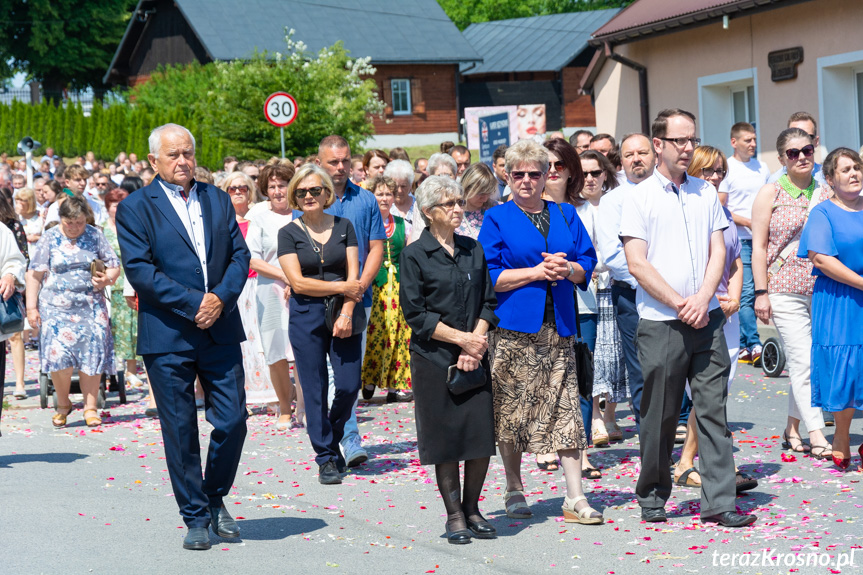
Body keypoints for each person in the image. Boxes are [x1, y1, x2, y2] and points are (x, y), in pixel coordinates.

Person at [116, 124, 251, 550]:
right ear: (153, 161)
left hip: (221, 328)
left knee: (232, 420)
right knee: (180, 429)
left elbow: (239, 255)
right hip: (169, 334)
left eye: (188, 153)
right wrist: (196, 302)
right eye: (173, 155)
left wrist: (220, 299)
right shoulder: (136, 207)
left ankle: (213, 496)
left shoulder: (217, 199)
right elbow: (140, 271)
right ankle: (194, 516)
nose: (183, 162)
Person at [620, 108, 755, 527]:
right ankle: (654, 493)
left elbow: (720, 250)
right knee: (659, 414)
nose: (688, 148)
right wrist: (682, 302)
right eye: (679, 140)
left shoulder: (705, 193)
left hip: (708, 319)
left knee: (712, 411)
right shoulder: (637, 197)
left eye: (692, 139)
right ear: (658, 144)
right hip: (661, 322)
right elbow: (637, 263)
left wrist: (702, 298)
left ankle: (720, 502)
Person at [478, 140, 601, 524]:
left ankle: (575, 497)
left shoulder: (565, 213)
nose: (528, 181)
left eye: (536, 173)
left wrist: (568, 271)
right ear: (508, 176)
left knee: (566, 412)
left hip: (560, 327)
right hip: (514, 331)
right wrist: (536, 272)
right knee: (511, 413)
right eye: (519, 174)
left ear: (548, 175)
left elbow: (587, 261)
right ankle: (514, 487)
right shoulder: (497, 218)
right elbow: (490, 276)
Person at [398, 175, 498, 543]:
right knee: (446, 440)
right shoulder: (413, 255)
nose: (458, 208)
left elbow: (489, 301)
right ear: (428, 212)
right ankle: (454, 514)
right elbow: (416, 314)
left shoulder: (474, 249)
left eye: (459, 201)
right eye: (449, 204)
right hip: (434, 359)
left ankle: (473, 509)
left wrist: (477, 341)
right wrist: (462, 342)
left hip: (476, 354)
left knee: (478, 436)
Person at [673, 146, 757, 493]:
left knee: (718, 391)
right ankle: (701, 465)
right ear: (693, 172)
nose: (715, 177)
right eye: (708, 171)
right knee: (707, 394)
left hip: (728, 312)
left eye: (720, 171)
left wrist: (736, 298)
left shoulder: (723, 211)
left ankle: (690, 463)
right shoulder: (686, 210)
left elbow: (735, 262)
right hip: (698, 312)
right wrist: (706, 298)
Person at [278, 163, 364, 484]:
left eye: (315, 190)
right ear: (295, 197)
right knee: (314, 389)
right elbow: (298, 283)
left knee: (348, 385)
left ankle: (332, 433)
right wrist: (341, 287)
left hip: (344, 314)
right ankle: (326, 457)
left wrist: (345, 310)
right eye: (302, 192)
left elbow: (354, 277)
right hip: (305, 316)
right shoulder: (288, 233)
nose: (309, 196)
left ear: (327, 193)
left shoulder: (345, 226)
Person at [751, 127, 833, 460]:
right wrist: (760, 292)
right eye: (793, 153)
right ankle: (818, 433)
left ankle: (792, 428)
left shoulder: (826, 192)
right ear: (783, 158)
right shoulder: (769, 193)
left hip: (822, 288)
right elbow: (758, 247)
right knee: (803, 360)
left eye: (807, 150)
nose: (801, 157)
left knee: (809, 362)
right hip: (783, 288)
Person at [315, 135, 385, 468]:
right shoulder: (311, 199)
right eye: (333, 162)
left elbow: (376, 249)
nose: (341, 167)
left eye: (345, 160)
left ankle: (338, 431)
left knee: (349, 373)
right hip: (318, 297)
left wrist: (358, 288)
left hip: (359, 298)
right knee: (328, 373)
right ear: (319, 164)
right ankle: (345, 436)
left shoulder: (366, 200)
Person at [26, 196, 120, 428]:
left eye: (79, 222)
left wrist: (108, 278)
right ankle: (64, 404)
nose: (76, 227)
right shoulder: (49, 237)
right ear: (62, 219)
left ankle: (90, 407)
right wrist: (31, 307)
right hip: (56, 307)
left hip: (90, 304)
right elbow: (34, 274)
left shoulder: (95, 235)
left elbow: (114, 264)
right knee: (59, 357)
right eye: (70, 223)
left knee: (92, 355)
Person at [798, 148, 863, 470]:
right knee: (845, 368)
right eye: (845, 170)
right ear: (830, 179)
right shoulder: (823, 212)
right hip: (840, 300)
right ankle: (840, 435)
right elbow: (821, 258)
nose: (853, 174)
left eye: (857, 168)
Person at [595, 133, 655, 436]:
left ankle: (680, 426)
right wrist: (651, 282)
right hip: (631, 294)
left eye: (642, 152)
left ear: (655, 154)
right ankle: (652, 443)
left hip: (673, 296)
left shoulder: (669, 193)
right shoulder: (613, 201)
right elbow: (613, 254)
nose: (636, 159)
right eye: (629, 155)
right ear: (621, 161)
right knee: (641, 371)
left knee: (672, 370)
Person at [245, 166, 303, 427]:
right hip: (270, 291)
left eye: (283, 184)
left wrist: (297, 280)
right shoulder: (259, 217)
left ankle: (304, 406)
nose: (278, 191)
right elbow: (254, 259)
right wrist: (285, 276)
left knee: (304, 351)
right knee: (276, 352)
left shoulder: (303, 213)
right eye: (272, 186)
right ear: (265, 190)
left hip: (303, 288)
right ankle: (284, 408)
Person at [577, 150, 628, 451]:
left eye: (596, 173)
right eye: (584, 174)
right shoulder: (575, 208)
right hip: (587, 286)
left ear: (605, 174)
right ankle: (595, 416)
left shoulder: (617, 203)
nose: (590, 179)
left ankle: (611, 415)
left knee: (616, 353)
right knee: (592, 353)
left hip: (614, 282)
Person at [220, 170, 278, 410]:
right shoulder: (221, 221)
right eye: (232, 188)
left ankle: (274, 394)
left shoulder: (260, 217)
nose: (237, 192)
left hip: (260, 283)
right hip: (236, 288)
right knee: (242, 344)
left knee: (266, 341)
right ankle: (244, 396)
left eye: (242, 187)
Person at [718, 122, 770, 365]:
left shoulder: (763, 167)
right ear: (734, 142)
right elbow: (722, 205)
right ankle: (752, 342)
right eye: (748, 140)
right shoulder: (728, 169)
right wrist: (749, 221)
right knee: (747, 292)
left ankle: (747, 343)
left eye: (755, 139)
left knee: (763, 290)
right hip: (742, 238)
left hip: (764, 237)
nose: (753, 144)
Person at [360, 175, 412, 403]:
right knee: (374, 333)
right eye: (379, 193)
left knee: (400, 335)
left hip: (399, 287)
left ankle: (396, 384)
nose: (384, 198)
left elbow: (408, 256)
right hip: (375, 285)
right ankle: (369, 378)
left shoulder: (402, 224)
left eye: (388, 193)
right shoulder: (364, 223)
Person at [102, 187, 146, 388]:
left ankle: (131, 369)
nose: (117, 209)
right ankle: (114, 370)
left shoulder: (133, 226)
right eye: (114, 206)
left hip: (131, 282)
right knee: (115, 329)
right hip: (111, 284)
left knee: (133, 329)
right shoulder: (102, 230)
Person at [768, 112, 826, 187]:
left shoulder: (828, 177)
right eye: (794, 135)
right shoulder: (774, 182)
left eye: (808, 136)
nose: (801, 140)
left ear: (816, 141)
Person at [383, 160, 415, 233]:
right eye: (396, 186)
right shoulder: (384, 206)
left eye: (403, 186)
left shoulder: (418, 206)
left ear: (410, 185)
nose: (400, 190)